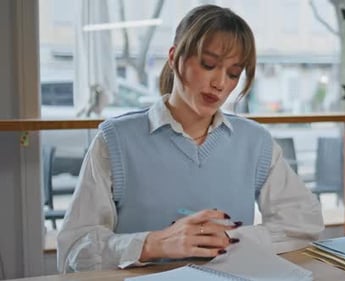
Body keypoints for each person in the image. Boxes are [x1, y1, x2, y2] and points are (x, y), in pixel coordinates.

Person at [57, 4, 324, 272]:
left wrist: (234, 239)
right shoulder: (114, 140)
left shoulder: (255, 142)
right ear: (174, 57)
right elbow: (75, 247)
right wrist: (153, 244)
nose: (220, 83)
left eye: (233, 73)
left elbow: (304, 223)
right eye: (208, 65)